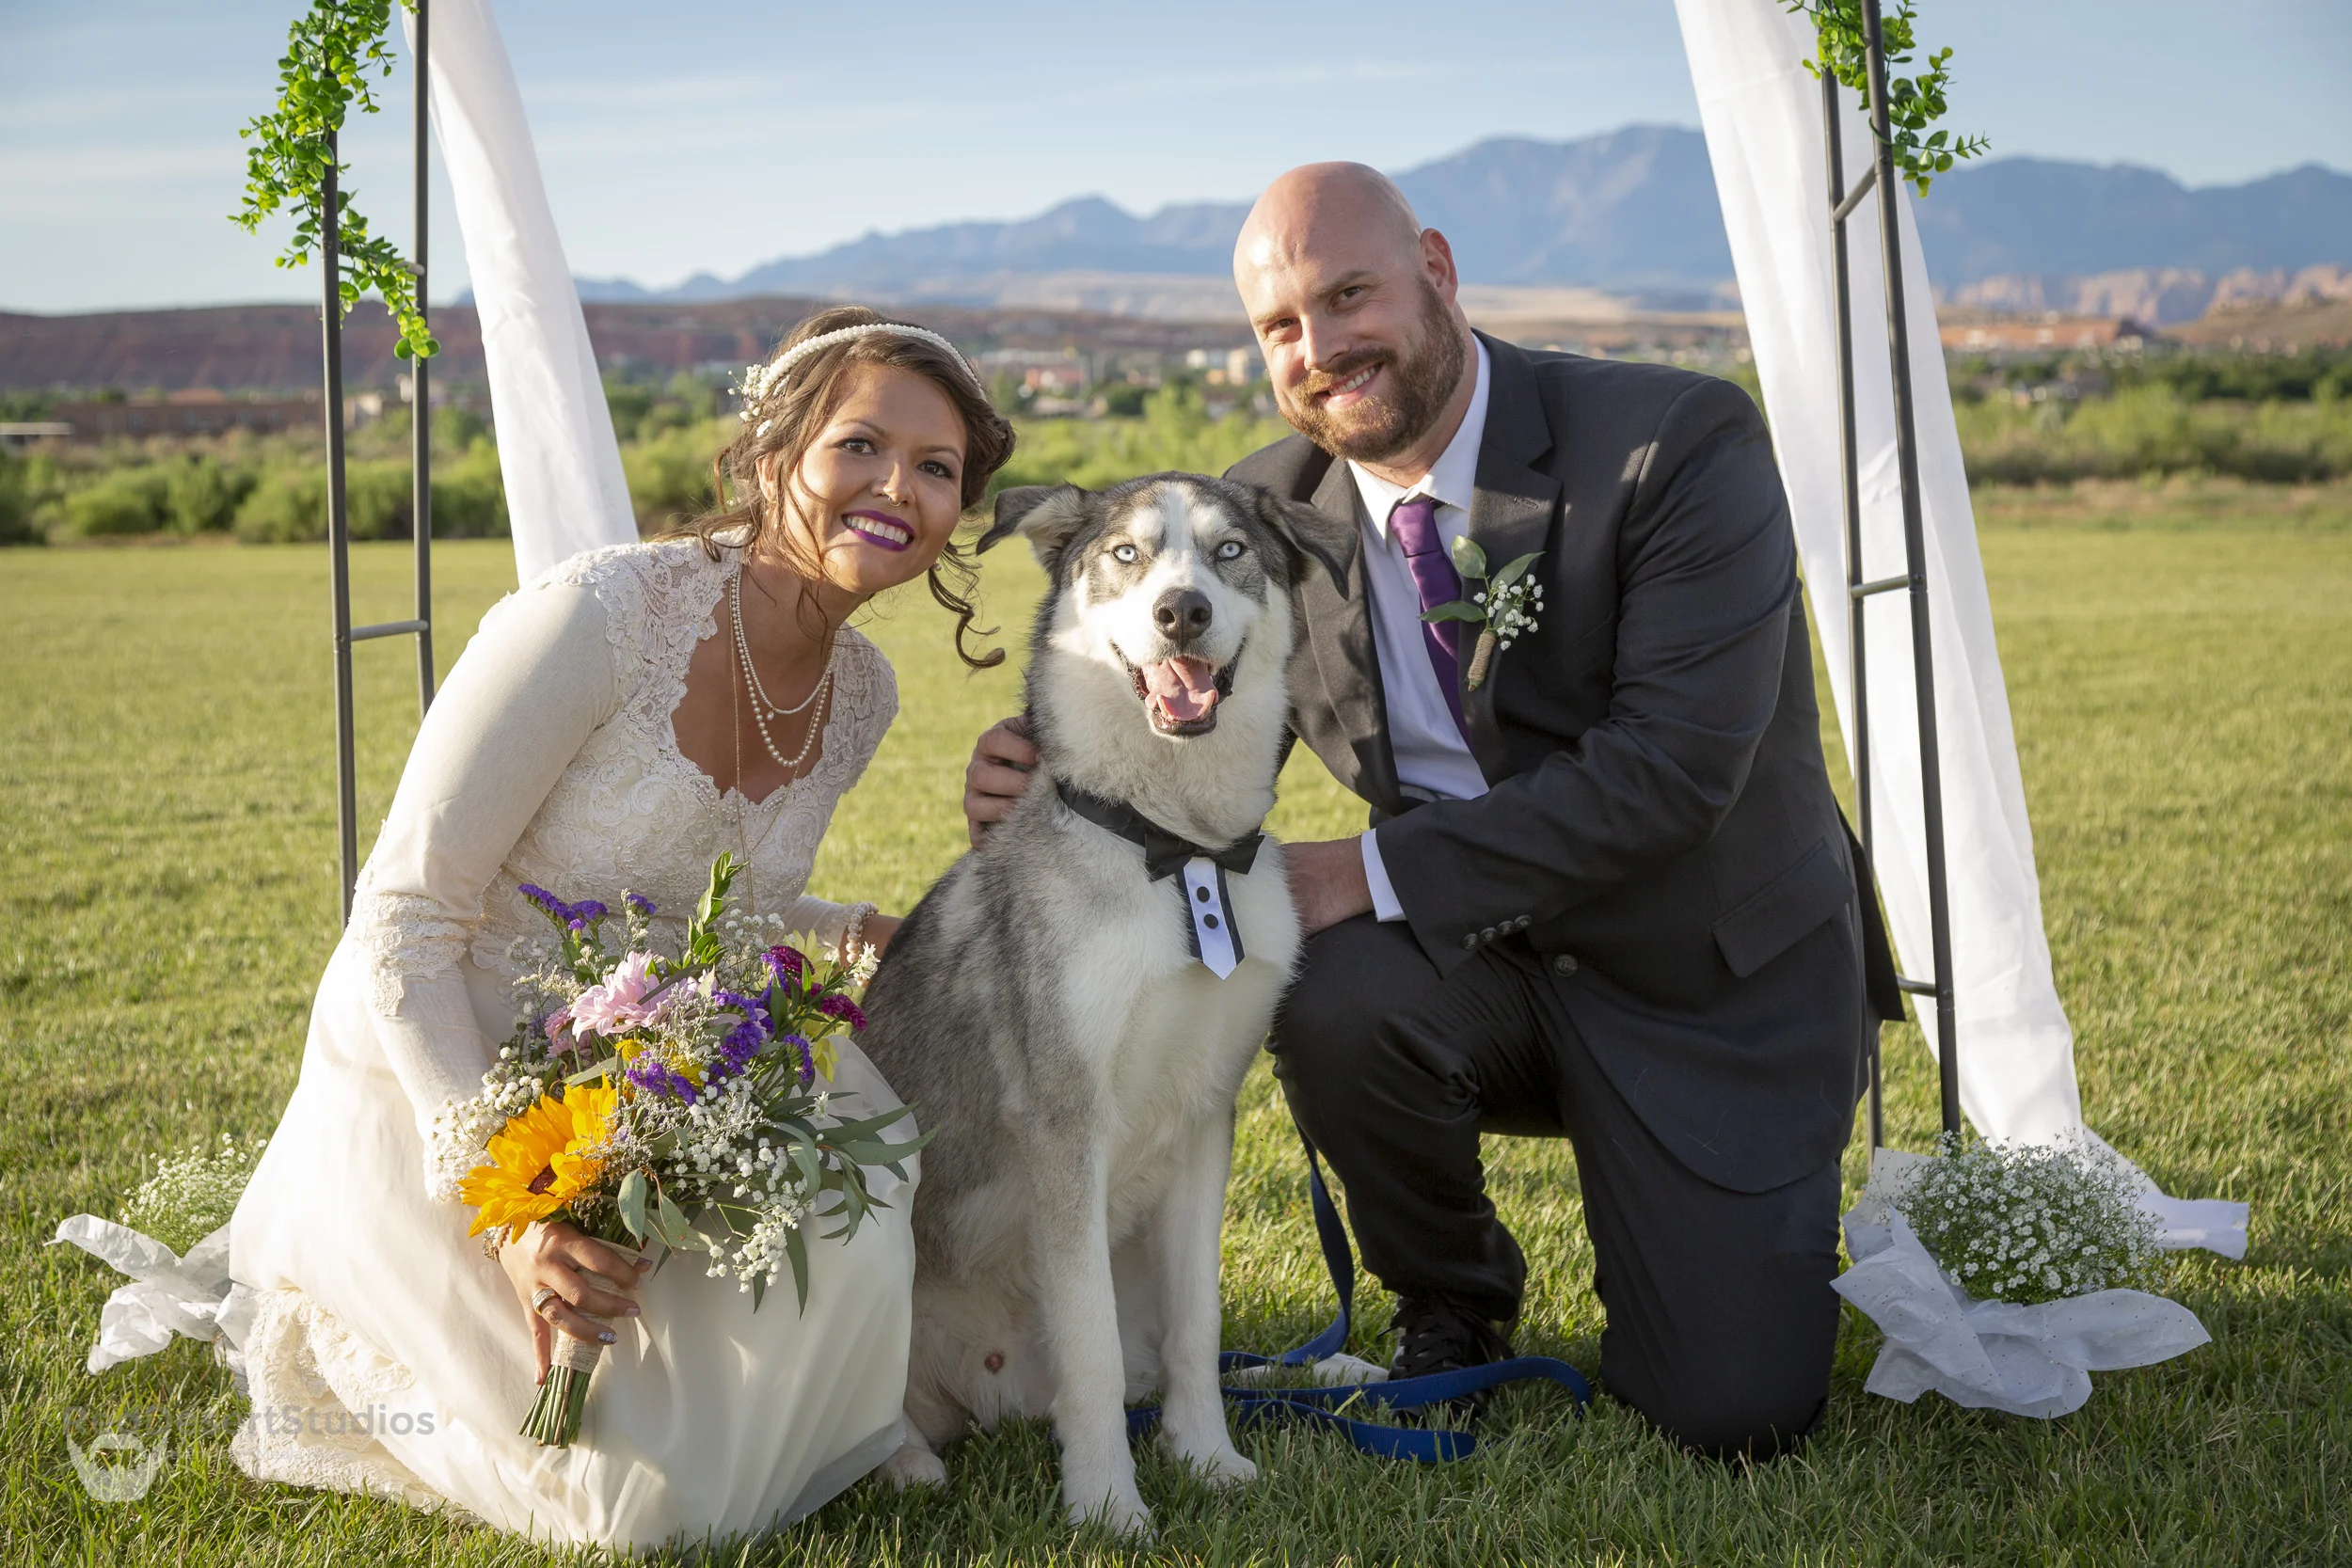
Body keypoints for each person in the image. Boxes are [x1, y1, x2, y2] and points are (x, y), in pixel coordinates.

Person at [964, 165, 1899, 1459]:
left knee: (1732, 1413)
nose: (1320, 347)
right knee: (1327, 980)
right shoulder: (1266, 506)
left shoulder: (1674, 441)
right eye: (1281, 326)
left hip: (1706, 979)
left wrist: (1368, 869)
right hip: (1473, 972)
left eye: (1349, 295)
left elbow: (1674, 771)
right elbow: (1203, 721)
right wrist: (1054, 776)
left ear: (1439, 272)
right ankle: (1450, 1301)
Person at [229, 306, 1018, 1547]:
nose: (897, 489)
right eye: (861, 445)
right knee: (632, 1505)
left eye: (936, 467)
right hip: (450, 1059)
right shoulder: (597, 617)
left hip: (652, 1067)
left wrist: (889, 933)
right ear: (774, 453)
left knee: (847, 1222)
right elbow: (405, 915)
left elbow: (721, 905)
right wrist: (509, 1208)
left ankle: (834, 1411)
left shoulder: (863, 694)